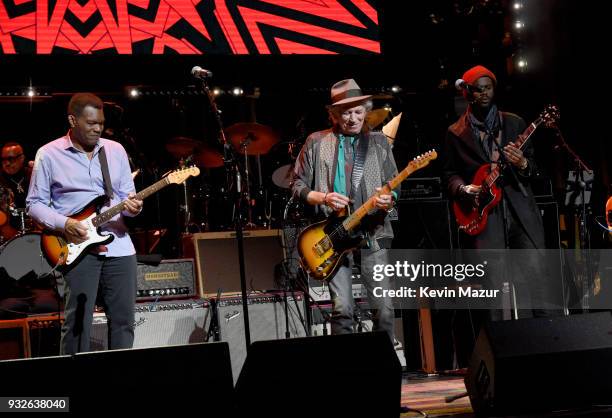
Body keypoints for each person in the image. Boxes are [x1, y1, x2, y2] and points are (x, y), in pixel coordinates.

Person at [26, 92, 143, 354]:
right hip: (76, 247)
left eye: (100, 123)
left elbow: (127, 198)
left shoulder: (115, 150)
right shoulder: (49, 153)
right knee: (78, 324)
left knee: (124, 322)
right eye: (91, 123)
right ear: (72, 120)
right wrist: (65, 223)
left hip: (120, 248)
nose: (97, 128)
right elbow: (34, 204)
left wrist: (134, 208)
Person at [442, 65, 557, 318]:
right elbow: (449, 175)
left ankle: (540, 342)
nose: (484, 94)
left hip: (520, 211)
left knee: (534, 280)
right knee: (493, 288)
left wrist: (522, 163)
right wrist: (463, 189)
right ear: (467, 94)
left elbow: (535, 169)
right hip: (484, 215)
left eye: (488, 88)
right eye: (477, 89)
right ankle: (499, 348)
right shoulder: (455, 132)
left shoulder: (514, 123)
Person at [292, 79, 399, 339]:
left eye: (358, 111)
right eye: (346, 113)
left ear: (366, 111)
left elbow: (393, 183)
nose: (353, 118)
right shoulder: (316, 142)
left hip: (372, 234)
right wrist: (323, 197)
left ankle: (382, 368)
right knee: (343, 310)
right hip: (333, 235)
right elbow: (297, 184)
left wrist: (390, 198)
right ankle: (347, 371)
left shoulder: (379, 142)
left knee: (383, 309)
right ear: (334, 115)